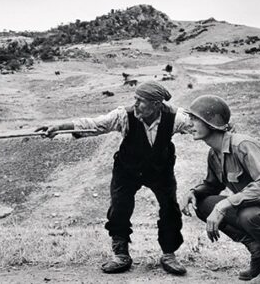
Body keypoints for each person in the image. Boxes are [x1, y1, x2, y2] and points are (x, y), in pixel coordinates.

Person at [35, 81, 188, 275]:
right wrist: (59, 127)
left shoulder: (175, 117)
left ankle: (169, 254)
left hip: (160, 169)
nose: (136, 105)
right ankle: (121, 255)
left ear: (157, 104)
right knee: (119, 208)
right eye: (135, 99)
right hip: (127, 169)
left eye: (141, 101)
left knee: (170, 208)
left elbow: (201, 125)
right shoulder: (123, 115)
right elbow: (95, 125)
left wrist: (223, 128)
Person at [181, 95, 260, 284]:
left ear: (212, 122)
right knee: (204, 204)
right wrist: (194, 192)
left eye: (194, 119)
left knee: (248, 213)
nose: (189, 124)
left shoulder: (243, 145)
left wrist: (225, 204)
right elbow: (213, 185)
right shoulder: (214, 153)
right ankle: (259, 252)